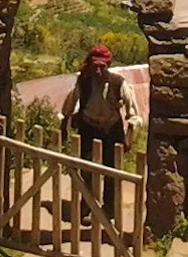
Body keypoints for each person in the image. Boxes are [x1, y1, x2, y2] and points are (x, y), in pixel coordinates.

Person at [60, 44, 143, 223]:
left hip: (111, 130)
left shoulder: (118, 83)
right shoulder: (83, 81)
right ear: (90, 64)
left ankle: (109, 209)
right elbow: (70, 102)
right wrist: (64, 122)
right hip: (88, 128)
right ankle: (87, 205)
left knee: (111, 171)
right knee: (87, 169)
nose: (98, 70)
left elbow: (133, 113)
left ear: (108, 65)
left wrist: (130, 135)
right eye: (95, 66)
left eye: (102, 66)